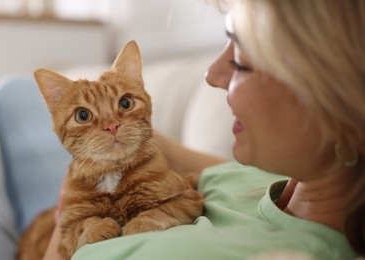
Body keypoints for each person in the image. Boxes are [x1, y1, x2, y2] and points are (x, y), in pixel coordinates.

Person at [44, 0, 365, 259]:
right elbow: (157, 147)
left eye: (241, 60)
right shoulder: (255, 174)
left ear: (339, 99)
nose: (211, 75)